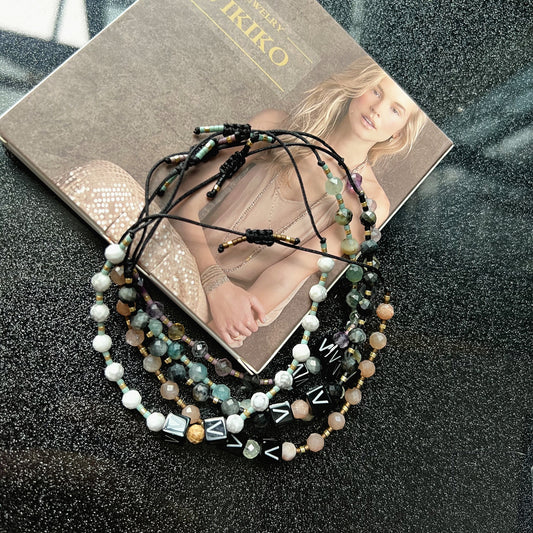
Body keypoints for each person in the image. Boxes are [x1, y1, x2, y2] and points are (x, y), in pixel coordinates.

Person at [170, 56, 427, 347]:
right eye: (376, 91)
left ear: (399, 131)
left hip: (242, 307)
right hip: (185, 255)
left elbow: (290, 272)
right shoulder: (276, 125)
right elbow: (183, 201)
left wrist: (223, 326)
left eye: (395, 109)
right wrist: (215, 283)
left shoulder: (370, 204)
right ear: (358, 85)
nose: (377, 109)